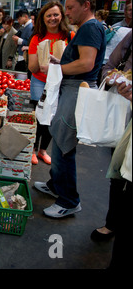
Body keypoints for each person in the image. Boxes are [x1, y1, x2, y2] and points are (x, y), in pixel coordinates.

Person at [34, 0, 106, 218]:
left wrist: (57, 68)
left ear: (86, 5)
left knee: (64, 145)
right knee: (59, 136)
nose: (67, 13)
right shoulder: (87, 28)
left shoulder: (90, 28)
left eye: (71, 8)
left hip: (77, 90)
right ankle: (56, 185)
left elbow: (86, 64)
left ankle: (69, 200)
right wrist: (60, 61)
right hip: (73, 89)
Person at [90, 30, 131, 258]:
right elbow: (108, 66)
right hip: (123, 115)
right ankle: (112, 222)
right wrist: (116, 78)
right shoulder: (130, 38)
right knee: (117, 173)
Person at [28, 0, 74, 166]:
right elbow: (32, 67)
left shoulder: (69, 36)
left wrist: (57, 65)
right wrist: (40, 63)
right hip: (40, 81)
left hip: (61, 83)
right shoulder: (37, 38)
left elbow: (75, 61)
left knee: (53, 117)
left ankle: (43, 150)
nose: (52, 18)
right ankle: (33, 150)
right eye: (48, 16)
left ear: (61, 16)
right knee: (40, 116)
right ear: (43, 18)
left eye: (55, 14)